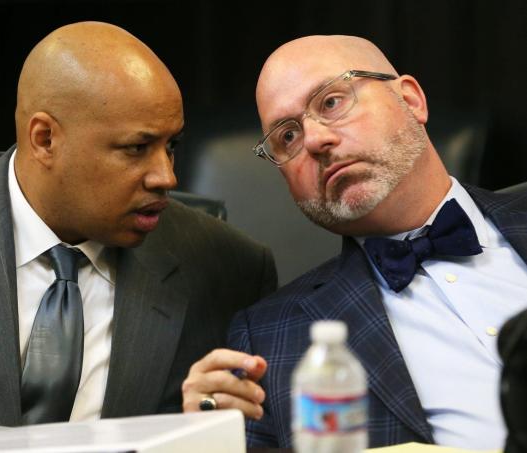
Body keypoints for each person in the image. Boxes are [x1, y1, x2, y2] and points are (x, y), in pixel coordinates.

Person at [0, 21, 277, 426]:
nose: (166, 176)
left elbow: (249, 431)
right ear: (45, 139)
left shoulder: (228, 267)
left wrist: (205, 426)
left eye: (171, 145)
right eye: (136, 148)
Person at [186, 35, 527, 450]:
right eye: (287, 137)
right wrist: (206, 436)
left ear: (411, 100)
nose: (314, 140)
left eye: (331, 102)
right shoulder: (268, 342)